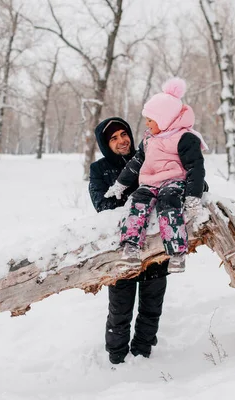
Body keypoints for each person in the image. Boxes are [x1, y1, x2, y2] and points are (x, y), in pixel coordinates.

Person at [104, 78, 207, 274]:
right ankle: (131, 246)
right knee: (138, 201)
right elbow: (136, 162)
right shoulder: (149, 139)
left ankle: (177, 252)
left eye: (151, 119)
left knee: (168, 201)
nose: (147, 123)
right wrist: (120, 184)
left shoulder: (184, 138)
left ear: (165, 119)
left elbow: (196, 167)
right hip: (149, 182)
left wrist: (194, 196)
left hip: (174, 180)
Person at [89, 117, 169, 365]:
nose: (121, 140)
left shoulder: (148, 156)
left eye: (123, 134)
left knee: (152, 306)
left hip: (155, 246)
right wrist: (143, 197)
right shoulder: (99, 169)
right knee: (119, 309)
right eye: (113, 138)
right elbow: (104, 205)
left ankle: (143, 352)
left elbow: (171, 178)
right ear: (105, 144)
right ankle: (116, 358)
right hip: (122, 250)